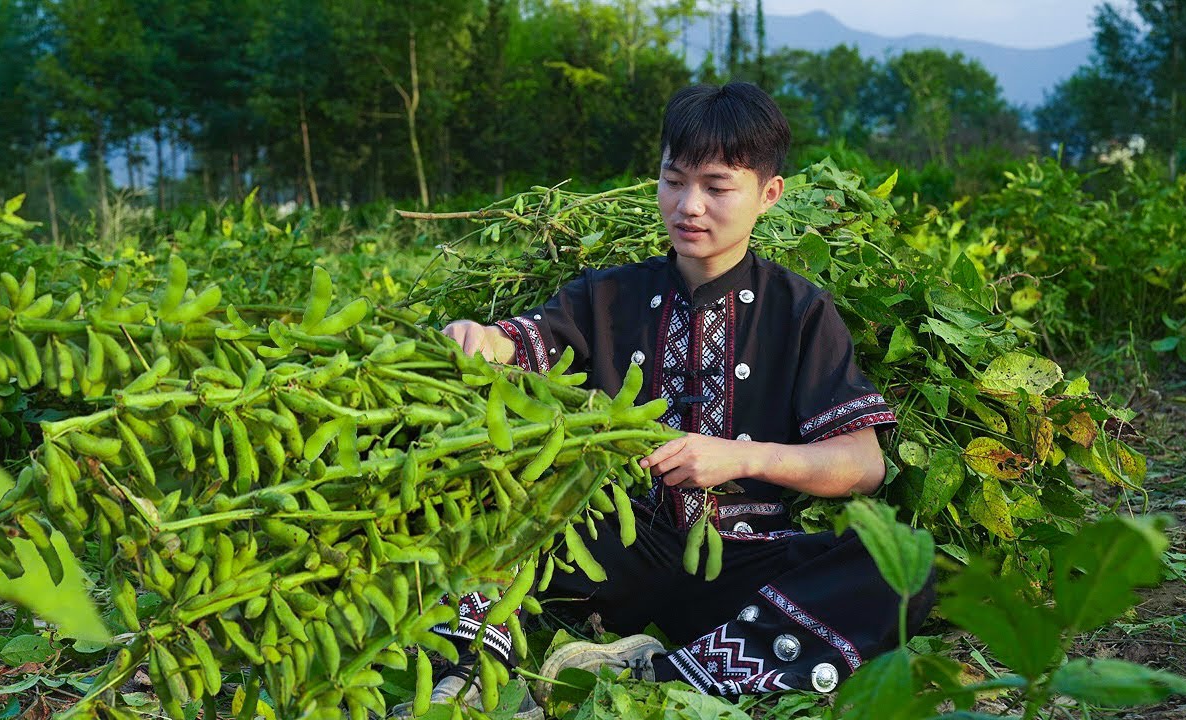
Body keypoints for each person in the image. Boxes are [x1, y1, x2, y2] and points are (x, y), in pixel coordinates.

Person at [400, 82, 934, 716]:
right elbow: (525, 341)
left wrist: (739, 459)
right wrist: (481, 339)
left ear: (769, 195)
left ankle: (672, 671)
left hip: (740, 560)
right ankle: (470, 675)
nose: (689, 206)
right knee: (480, 500)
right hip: (606, 548)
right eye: (673, 180)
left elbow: (863, 463)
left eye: (716, 186)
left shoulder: (800, 310)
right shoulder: (607, 296)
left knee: (902, 566)